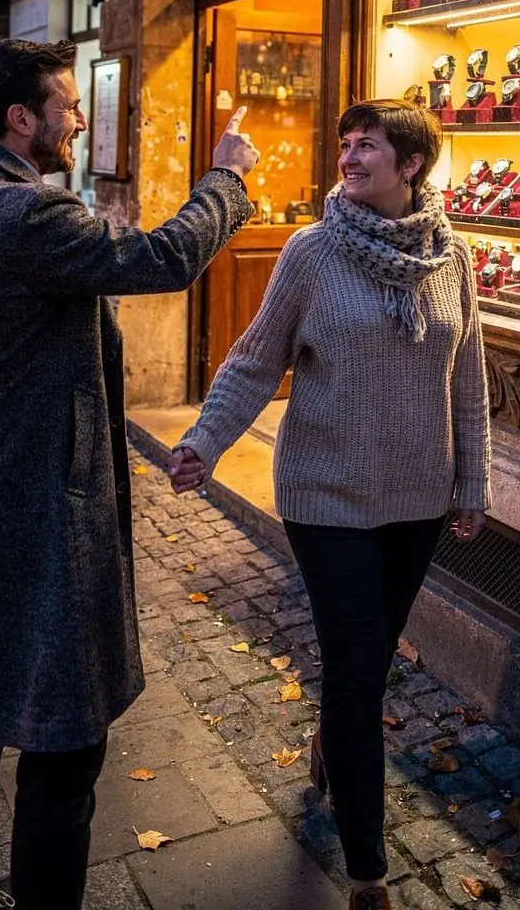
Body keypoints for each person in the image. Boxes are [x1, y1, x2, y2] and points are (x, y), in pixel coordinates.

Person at [0, 37, 259, 910]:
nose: (80, 115)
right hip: (37, 512)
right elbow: (161, 261)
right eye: (67, 101)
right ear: (22, 119)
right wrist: (227, 178)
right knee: (65, 736)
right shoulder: (24, 216)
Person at [168, 99, 491, 910]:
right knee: (355, 672)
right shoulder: (312, 254)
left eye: (367, 147)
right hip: (327, 497)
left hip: (418, 498)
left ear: (411, 164)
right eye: (345, 145)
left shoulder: (452, 260)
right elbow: (253, 360)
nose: (348, 158)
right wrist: (204, 444)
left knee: (370, 664)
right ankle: (368, 872)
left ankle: (329, 744)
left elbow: (469, 382)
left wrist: (475, 485)